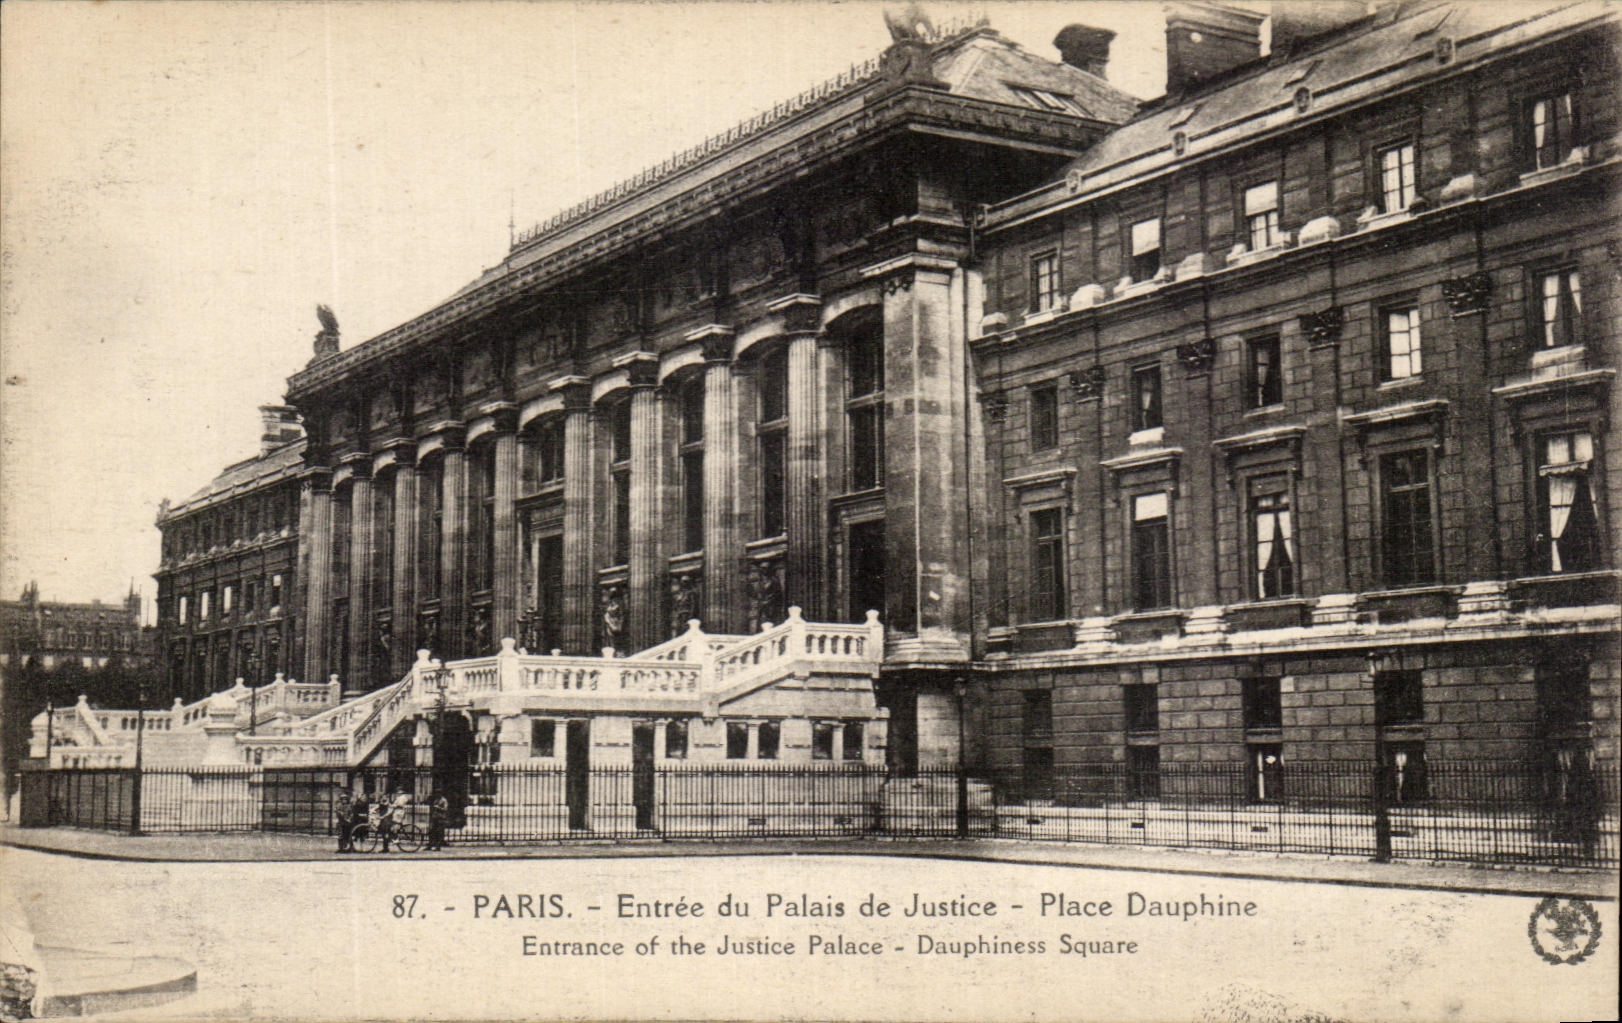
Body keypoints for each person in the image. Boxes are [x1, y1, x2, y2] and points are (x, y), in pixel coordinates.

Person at [335, 784, 355, 853]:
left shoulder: (349, 806)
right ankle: (341, 848)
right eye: (343, 799)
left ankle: (350, 847)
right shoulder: (339, 806)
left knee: (348, 835)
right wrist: (341, 814)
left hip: (347, 823)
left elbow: (351, 813)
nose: (344, 800)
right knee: (340, 835)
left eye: (345, 799)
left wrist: (349, 819)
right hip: (341, 823)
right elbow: (337, 812)